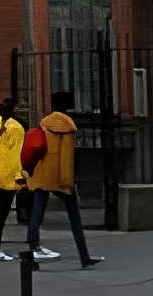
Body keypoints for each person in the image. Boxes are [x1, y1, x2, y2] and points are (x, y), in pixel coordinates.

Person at [23, 88, 103, 268]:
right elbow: (66, 158)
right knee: (74, 218)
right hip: (59, 177)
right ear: (67, 106)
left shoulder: (44, 123)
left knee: (36, 215)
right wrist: (67, 183)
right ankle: (84, 257)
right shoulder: (68, 126)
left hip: (43, 173)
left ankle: (32, 255)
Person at [0, 95, 28, 263]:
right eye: (20, 107)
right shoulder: (16, 128)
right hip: (9, 175)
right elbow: (16, 155)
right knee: (1, 214)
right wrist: (20, 177)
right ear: (15, 110)